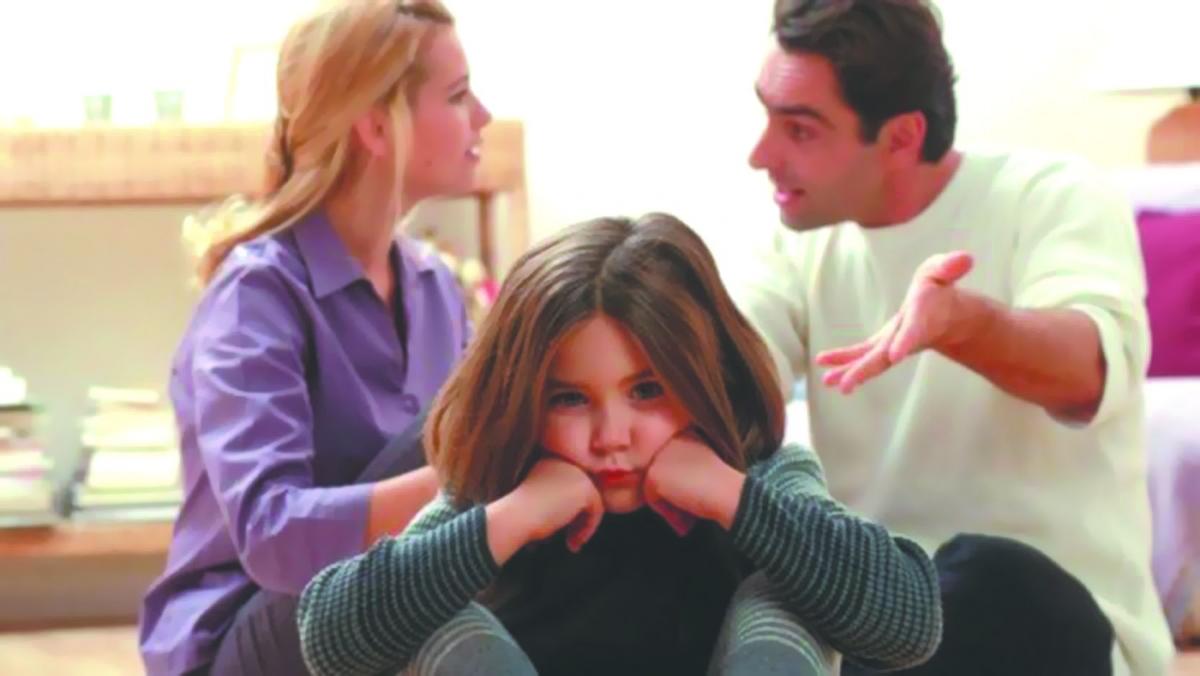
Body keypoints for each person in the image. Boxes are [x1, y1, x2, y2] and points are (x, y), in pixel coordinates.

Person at [295, 213, 943, 676]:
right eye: (570, 399)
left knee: (783, 596)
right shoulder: (503, 485)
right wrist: (513, 516)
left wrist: (733, 496)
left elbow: (911, 623)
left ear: (706, 378)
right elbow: (328, 640)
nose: (612, 438)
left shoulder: (757, 470)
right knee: (431, 607)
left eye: (648, 391)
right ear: (525, 398)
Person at [730, 1, 1174, 674]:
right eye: (766, 116)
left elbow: (1088, 373)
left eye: (800, 129)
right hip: (884, 622)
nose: (760, 155)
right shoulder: (794, 245)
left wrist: (962, 324)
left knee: (984, 577)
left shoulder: (1053, 194)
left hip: (1052, 625)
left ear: (902, 136)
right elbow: (728, 365)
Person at [138, 2, 491, 674]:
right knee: (474, 439)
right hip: (245, 634)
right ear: (376, 125)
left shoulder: (435, 288)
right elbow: (271, 535)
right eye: (457, 95)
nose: (483, 116)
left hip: (367, 612)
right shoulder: (254, 295)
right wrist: (479, 489)